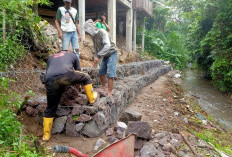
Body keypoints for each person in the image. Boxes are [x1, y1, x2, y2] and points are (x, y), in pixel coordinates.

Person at [42, 51, 97, 141]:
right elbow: (78, 72)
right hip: (66, 74)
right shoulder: (72, 55)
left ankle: (46, 135)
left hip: (50, 79)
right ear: (66, 52)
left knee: (51, 108)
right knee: (86, 77)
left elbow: (49, 72)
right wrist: (78, 85)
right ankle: (91, 98)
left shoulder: (51, 57)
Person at [84, 19, 118, 96]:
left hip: (112, 52)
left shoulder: (102, 32)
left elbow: (107, 46)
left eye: (87, 31)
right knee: (101, 72)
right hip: (105, 55)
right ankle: (103, 87)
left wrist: (98, 56)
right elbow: (96, 48)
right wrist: (95, 59)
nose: (87, 33)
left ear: (91, 28)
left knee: (110, 72)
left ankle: (109, 92)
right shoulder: (93, 36)